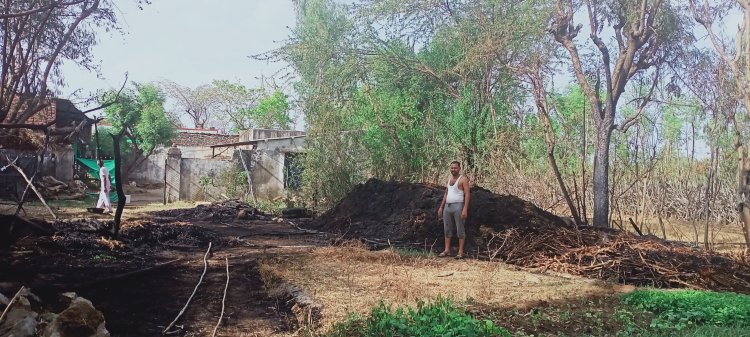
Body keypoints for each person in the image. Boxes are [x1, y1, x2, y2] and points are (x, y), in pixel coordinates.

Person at [437, 161, 471, 259]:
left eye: (455, 168)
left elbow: (467, 194)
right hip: (448, 207)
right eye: (452, 168)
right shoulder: (450, 179)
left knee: (460, 228)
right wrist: (441, 207)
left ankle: (460, 252)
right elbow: (446, 194)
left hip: (458, 206)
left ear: (459, 168)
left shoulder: (463, 179)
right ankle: (447, 250)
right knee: (447, 229)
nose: (453, 170)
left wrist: (465, 209)